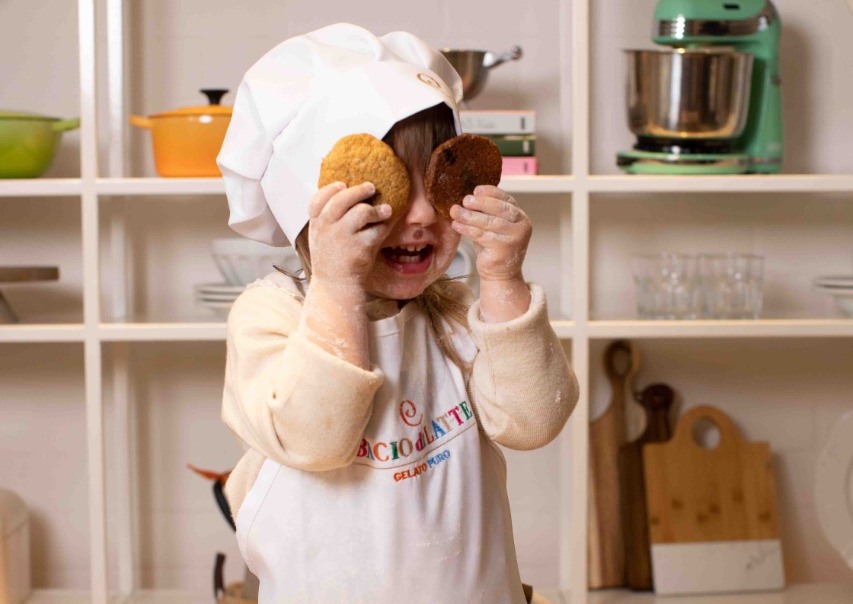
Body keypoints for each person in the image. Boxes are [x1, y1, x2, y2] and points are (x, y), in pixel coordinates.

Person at [216, 23, 579, 604]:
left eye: (435, 184)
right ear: (304, 205)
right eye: (382, 191)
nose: (422, 216)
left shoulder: (454, 314)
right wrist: (338, 284)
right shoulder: (270, 317)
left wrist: (504, 281)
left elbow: (534, 422)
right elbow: (314, 439)